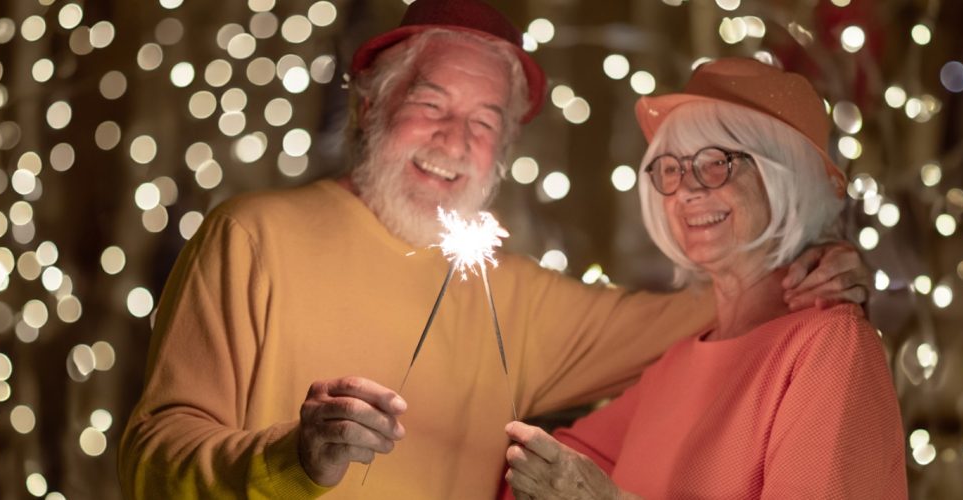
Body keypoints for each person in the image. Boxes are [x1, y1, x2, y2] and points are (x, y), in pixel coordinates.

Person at [117, 1, 870, 498]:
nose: (454, 142)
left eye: (484, 122)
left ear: (503, 149)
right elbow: (151, 458)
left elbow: (703, 314)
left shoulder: (512, 294)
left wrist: (801, 263)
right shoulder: (252, 237)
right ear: (372, 105)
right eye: (430, 105)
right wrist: (291, 455)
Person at [502, 58, 906, 499]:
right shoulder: (676, 361)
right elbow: (536, 475)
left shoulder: (831, 345)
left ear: (785, 179)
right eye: (672, 168)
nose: (688, 189)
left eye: (717, 163)